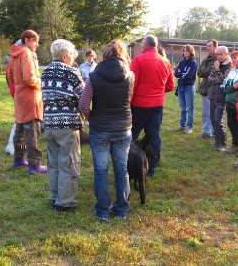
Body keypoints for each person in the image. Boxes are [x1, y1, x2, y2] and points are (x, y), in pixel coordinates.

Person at [79, 39, 134, 221]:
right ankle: (121, 209)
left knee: (101, 171)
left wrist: (91, 117)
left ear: (104, 55)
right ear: (123, 54)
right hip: (123, 127)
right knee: (121, 169)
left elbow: (83, 104)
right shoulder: (130, 75)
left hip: (100, 128)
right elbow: (128, 99)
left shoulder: (94, 76)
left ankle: (102, 210)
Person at [42, 39, 84, 211]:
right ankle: (65, 202)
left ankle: (54, 196)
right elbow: (82, 97)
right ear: (65, 56)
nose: (73, 58)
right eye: (72, 55)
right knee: (69, 162)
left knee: (54, 162)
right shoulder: (71, 72)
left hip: (49, 123)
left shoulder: (44, 72)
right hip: (67, 124)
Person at [129, 35, 175, 177]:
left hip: (139, 104)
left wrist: (129, 104)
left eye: (142, 44)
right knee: (154, 135)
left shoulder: (138, 60)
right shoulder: (165, 62)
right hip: (157, 105)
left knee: (131, 135)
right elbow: (170, 86)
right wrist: (158, 91)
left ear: (145, 44)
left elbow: (132, 85)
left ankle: (128, 163)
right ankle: (151, 166)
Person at [7, 29, 47, 175]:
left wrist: (18, 86)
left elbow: (10, 75)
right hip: (31, 97)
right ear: (27, 40)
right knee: (33, 131)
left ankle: (18, 160)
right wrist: (40, 83)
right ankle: (34, 165)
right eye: (34, 41)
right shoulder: (27, 54)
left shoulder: (14, 53)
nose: (37, 44)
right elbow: (30, 77)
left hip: (20, 95)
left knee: (20, 128)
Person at [208, 45, 231, 151]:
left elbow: (224, 79)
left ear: (226, 54)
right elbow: (210, 79)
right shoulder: (216, 64)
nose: (218, 56)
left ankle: (223, 142)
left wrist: (217, 70)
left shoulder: (230, 66)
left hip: (221, 97)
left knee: (218, 120)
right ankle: (217, 141)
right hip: (212, 95)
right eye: (217, 54)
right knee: (213, 120)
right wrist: (217, 74)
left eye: (221, 54)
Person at [222, 51, 238, 155]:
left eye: (235, 57)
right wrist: (231, 86)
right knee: (231, 124)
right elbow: (225, 83)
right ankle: (235, 145)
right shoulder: (232, 71)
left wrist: (230, 85)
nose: (233, 59)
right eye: (232, 57)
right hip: (229, 101)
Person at [174, 44, 198, 134]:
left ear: (191, 52)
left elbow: (189, 75)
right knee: (183, 108)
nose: (185, 52)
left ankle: (189, 126)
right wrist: (181, 73)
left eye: (187, 50)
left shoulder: (193, 63)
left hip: (189, 87)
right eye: (184, 51)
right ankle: (182, 125)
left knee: (190, 108)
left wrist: (181, 73)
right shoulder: (181, 62)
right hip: (181, 87)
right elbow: (176, 73)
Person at [197, 39, 217, 139]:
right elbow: (199, 72)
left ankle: (214, 133)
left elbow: (208, 72)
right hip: (205, 89)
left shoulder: (217, 59)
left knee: (213, 113)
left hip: (213, 89)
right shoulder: (206, 59)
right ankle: (206, 132)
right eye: (207, 46)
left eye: (210, 46)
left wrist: (204, 71)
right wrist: (204, 71)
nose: (208, 48)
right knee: (205, 112)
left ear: (215, 47)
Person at [5, 40, 22, 156]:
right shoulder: (16, 59)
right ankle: (11, 146)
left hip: (19, 93)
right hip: (20, 94)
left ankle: (14, 146)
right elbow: (11, 79)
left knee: (21, 120)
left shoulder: (14, 59)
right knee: (19, 121)